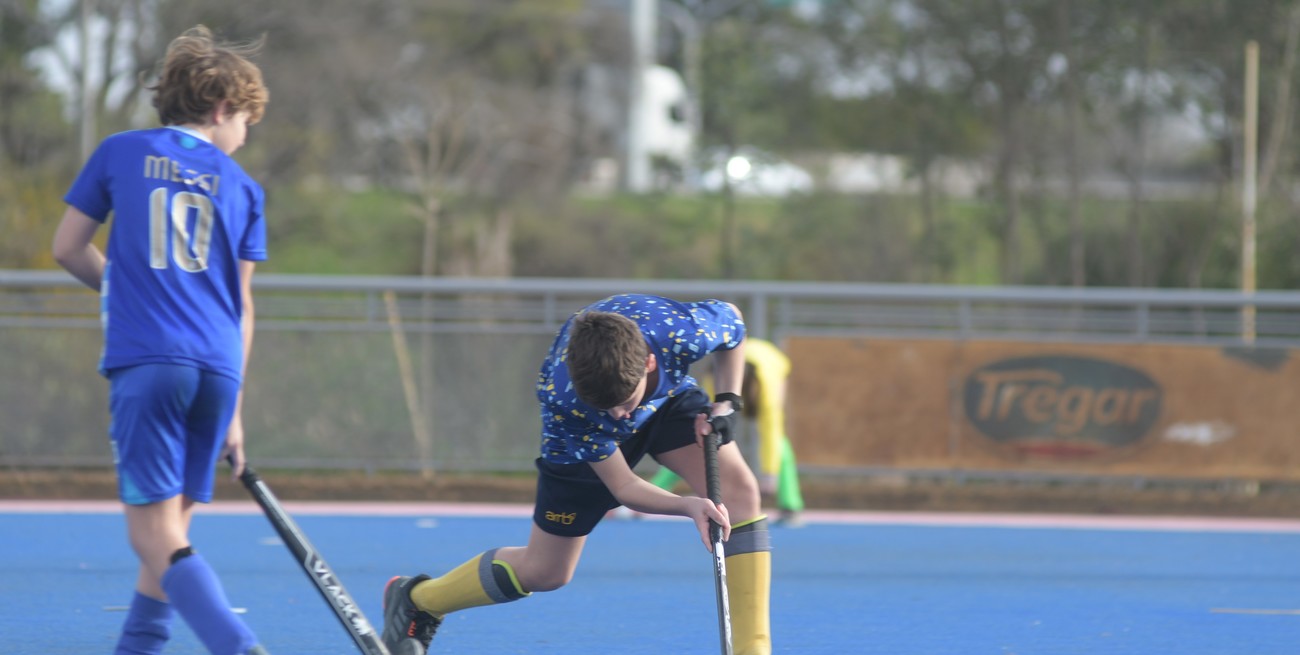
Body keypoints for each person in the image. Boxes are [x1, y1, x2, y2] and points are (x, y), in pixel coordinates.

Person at [380, 294, 773, 655]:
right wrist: (686, 505)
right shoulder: (568, 399)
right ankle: (419, 600)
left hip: (667, 404)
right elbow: (623, 485)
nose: (620, 415)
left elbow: (733, 326)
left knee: (740, 494)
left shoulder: (679, 332)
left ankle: (752, 649)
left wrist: (727, 401)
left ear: (650, 362)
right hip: (583, 444)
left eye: (624, 402)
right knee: (547, 572)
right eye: (609, 406)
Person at [51, 25, 271, 655]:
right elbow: (243, 306)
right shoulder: (245, 188)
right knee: (171, 535)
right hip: (219, 367)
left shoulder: (120, 152)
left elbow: (67, 248)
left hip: (149, 361)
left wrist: (122, 290)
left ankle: (235, 644)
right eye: (247, 121)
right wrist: (235, 411)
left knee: (153, 536)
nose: (244, 136)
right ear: (222, 108)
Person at [649, 337, 806, 526]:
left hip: (772, 363)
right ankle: (655, 490)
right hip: (744, 364)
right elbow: (697, 427)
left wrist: (769, 474)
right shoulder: (713, 378)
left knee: (779, 441)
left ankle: (790, 505)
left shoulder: (766, 386)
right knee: (694, 438)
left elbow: (771, 431)